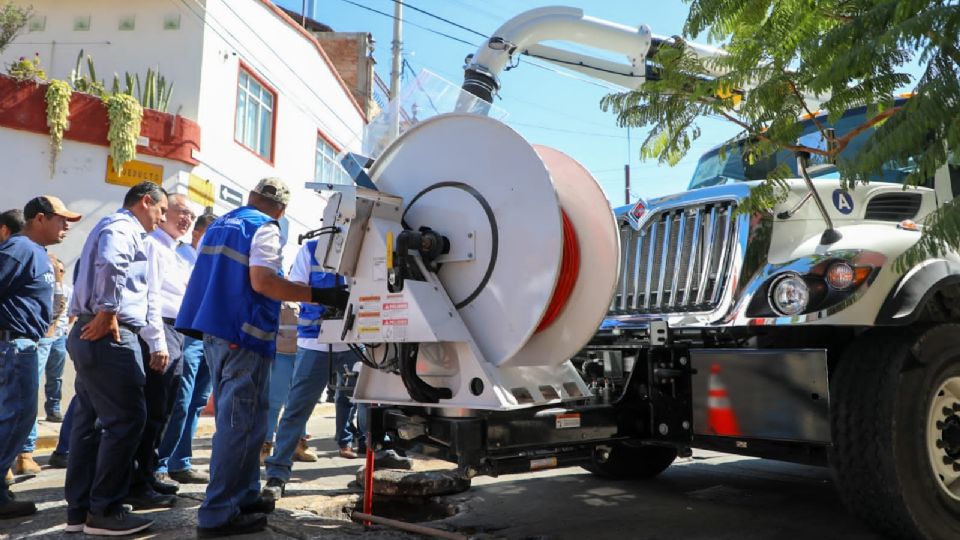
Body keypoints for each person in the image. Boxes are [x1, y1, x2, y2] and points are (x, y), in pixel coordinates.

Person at [176, 177, 348, 538]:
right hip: (243, 336)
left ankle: (246, 495)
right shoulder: (264, 228)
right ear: (281, 211)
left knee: (250, 420)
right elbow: (264, 283)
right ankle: (218, 513)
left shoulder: (221, 223)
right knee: (240, 423)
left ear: (251, 196)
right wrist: (322, 295)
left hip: (216, 332)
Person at [65, 182, 167, 536]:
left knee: (90, 424)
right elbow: (112, 260)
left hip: (92, 332)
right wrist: (108, 309)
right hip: (108, 332)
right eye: (161, 210)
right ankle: (104, 511)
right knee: (126, 420)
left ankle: (80, 510)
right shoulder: (124, 227)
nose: (162, 218)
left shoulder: (110, 226)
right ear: (145, 202)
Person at [0, 195, 80, 519]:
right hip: (14, 346)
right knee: (14, 419)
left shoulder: (38, 253)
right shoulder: (20, 249)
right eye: (61, 220)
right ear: (39, 220)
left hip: (24, 346)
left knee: (17, 421)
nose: (66, 227)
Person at [263, 241, 359, 501]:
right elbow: (292, 290)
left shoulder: (366, 243)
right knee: (296, 409)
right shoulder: (311, 249)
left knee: (374, 404)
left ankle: (378, 460)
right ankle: (277, 474)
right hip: (315, 341)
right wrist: (324, 296)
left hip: (357, 340)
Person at [127, 193, 200, 509]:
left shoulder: (176, 250)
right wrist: (157, 341)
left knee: (165, 409)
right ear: (165, 211)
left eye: (191, 216)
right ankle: (137, 483)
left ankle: (148, 474)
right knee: (152, 409)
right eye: (182, 212)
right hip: (160, 330)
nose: (186, 220)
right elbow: (151, 297)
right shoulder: (154, 245)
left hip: (177, 330)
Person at [156, 212, 216, 485]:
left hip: (209, 336)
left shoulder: (215, 264)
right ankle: (159, 464)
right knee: (180, 399)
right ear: (198, 234)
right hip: (186, 335)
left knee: (197, 402)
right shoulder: (180, 257)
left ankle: (181, 462)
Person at [13, 253, 67, 477]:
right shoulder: (29, 261)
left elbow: (59, 303)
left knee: (25, 396)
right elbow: (58, 302)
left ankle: (23, 454)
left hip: (39, 337)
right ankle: (22, 454)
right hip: (33, 338)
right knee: (24, 397)